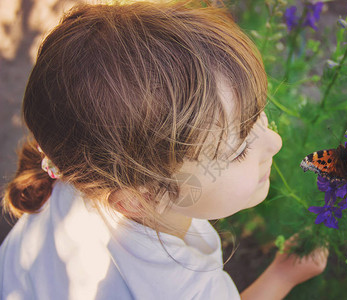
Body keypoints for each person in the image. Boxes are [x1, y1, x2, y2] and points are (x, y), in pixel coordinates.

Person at [0, 1, 328, 299]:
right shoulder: (187, 289)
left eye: (257, 116)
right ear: (137, 199)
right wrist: (282, 277)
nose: (275, 142)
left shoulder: (88, 168)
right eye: (239, 150)